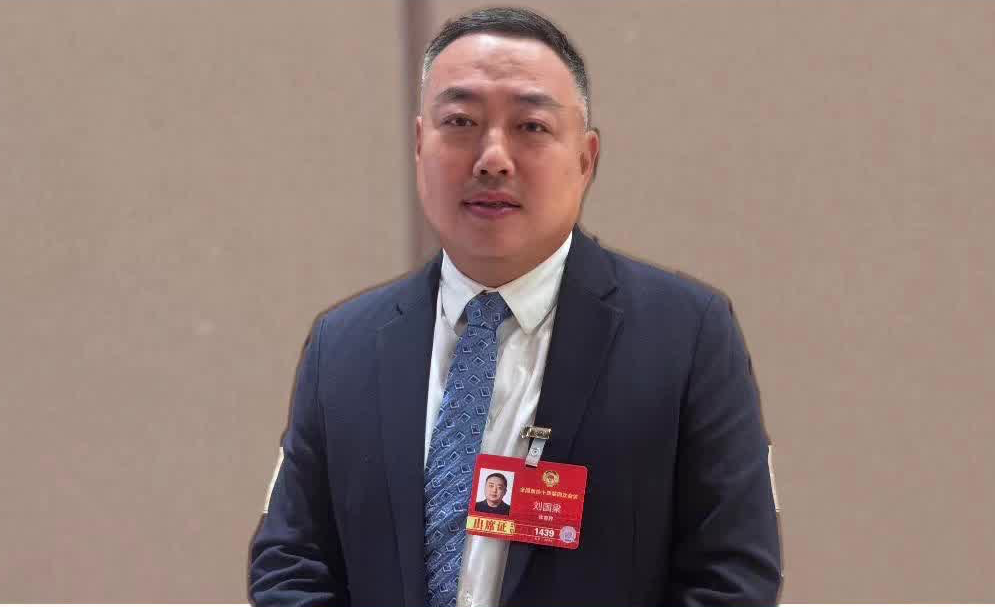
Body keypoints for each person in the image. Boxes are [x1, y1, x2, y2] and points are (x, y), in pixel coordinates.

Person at [250, 7, 781, 607]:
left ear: (586, 158)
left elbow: (732, 578)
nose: (492, 158)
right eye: (460, 121)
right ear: (420, 144)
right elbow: (291, 567)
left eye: (531, 126)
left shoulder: (686, 337)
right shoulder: (343, 346)